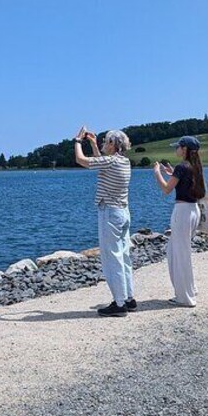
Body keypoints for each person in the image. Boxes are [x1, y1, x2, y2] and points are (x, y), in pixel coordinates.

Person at [73, 126, 134, 317]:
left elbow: (80, 160)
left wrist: (77, 141)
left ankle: (119, 303)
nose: (103, 143)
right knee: (124, 257)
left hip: (110, 213)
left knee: (112, 258)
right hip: (123, 212)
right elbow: (101, 162)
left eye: (106, 141)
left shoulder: (111, 161)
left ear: (113, 145)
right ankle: (129, 298)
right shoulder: (123, 161)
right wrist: (92, 143)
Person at [153, 136, 206, 307]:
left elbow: (166, 189)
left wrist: (157, 173)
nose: (176, 149)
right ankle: (190, 289)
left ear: (184, 149)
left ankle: (185, 297)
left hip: (182, 212)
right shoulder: (194, 166)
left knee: (179, 255)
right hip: (193, 211)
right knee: (176, 252)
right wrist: (172, 173)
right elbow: (184, 182)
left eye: (178, 147)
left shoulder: (182, 167)